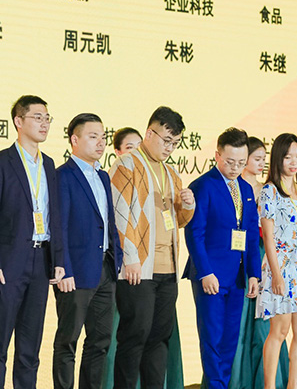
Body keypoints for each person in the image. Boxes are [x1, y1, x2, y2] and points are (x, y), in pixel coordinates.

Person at [0, 95, 65, 389]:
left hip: (41, 261)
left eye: (47, 118)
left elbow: (54, 216)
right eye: (37, 117)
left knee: (30, 345)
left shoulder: (49, 164)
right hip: (8, 263)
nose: (44, 123)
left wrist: (58, 260)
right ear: (18, 121)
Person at [109, 106, 195, 389]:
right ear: (149, 133)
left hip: (167, 270)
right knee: (134, 338)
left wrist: (189, 205)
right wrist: (130, 258)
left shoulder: (171, 173)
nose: (169, 148)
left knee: (159, 339)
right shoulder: (126, 164)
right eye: (166, 140)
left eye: (175, 143)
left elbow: (178, 221)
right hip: (139, 269)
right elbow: (119, 216)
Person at [184, 127, 262, 389]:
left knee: (230, 340)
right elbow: (195, 234)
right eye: (229, 162)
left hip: (238, 277)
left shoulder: (246, 189)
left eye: (241, 162)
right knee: (212, 339)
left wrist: (254, 273)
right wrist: (205, 272)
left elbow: (251, 235)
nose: (235, 168)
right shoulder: (203, 186)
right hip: (211, 276)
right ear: (217, 155)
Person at [53, 113, 122, 389]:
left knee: (100, 341)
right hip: (75, 272)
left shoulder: (103, 176)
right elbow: (59, 227)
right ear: (75, 139)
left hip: (105, 269)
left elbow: (109, 221)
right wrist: (64, 268)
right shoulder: (63, 176)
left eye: (102, 137)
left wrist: (116, 262)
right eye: (93, 137)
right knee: (67, 341)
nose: (100, 143)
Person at [256, 133, 297, 389]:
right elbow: (268, 239)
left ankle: (294, 386)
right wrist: (277, 275)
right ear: (277, 159)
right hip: (279, 268)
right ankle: (270, 386)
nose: (294, 162)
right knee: (279, 331)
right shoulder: (269, 191)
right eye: (288, 157)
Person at [230, 137, 290, 389]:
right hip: (237, 255)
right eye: (257, 159)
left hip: (265, 254)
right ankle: (238, 380)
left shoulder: (268, 189)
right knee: (239, 321)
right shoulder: (233, 187)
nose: (261, 163)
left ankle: (267, 381)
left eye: (264, 159)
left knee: (265, 322)